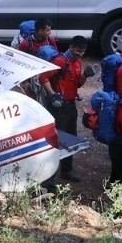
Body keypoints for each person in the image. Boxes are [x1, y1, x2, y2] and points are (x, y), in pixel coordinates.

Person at [46, 37, 90, 177]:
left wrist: (85, 76)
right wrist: (53, 95)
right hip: (58, 106)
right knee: (58, 138)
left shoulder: (77, 62)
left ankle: (66, 170)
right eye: (78, 51)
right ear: (71, 47)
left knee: (71, 136)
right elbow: (43, 77)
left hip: (70, 105)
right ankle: (50, 174)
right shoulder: (60, 61)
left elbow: (77, 84)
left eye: (82, 52)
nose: (80, 54)